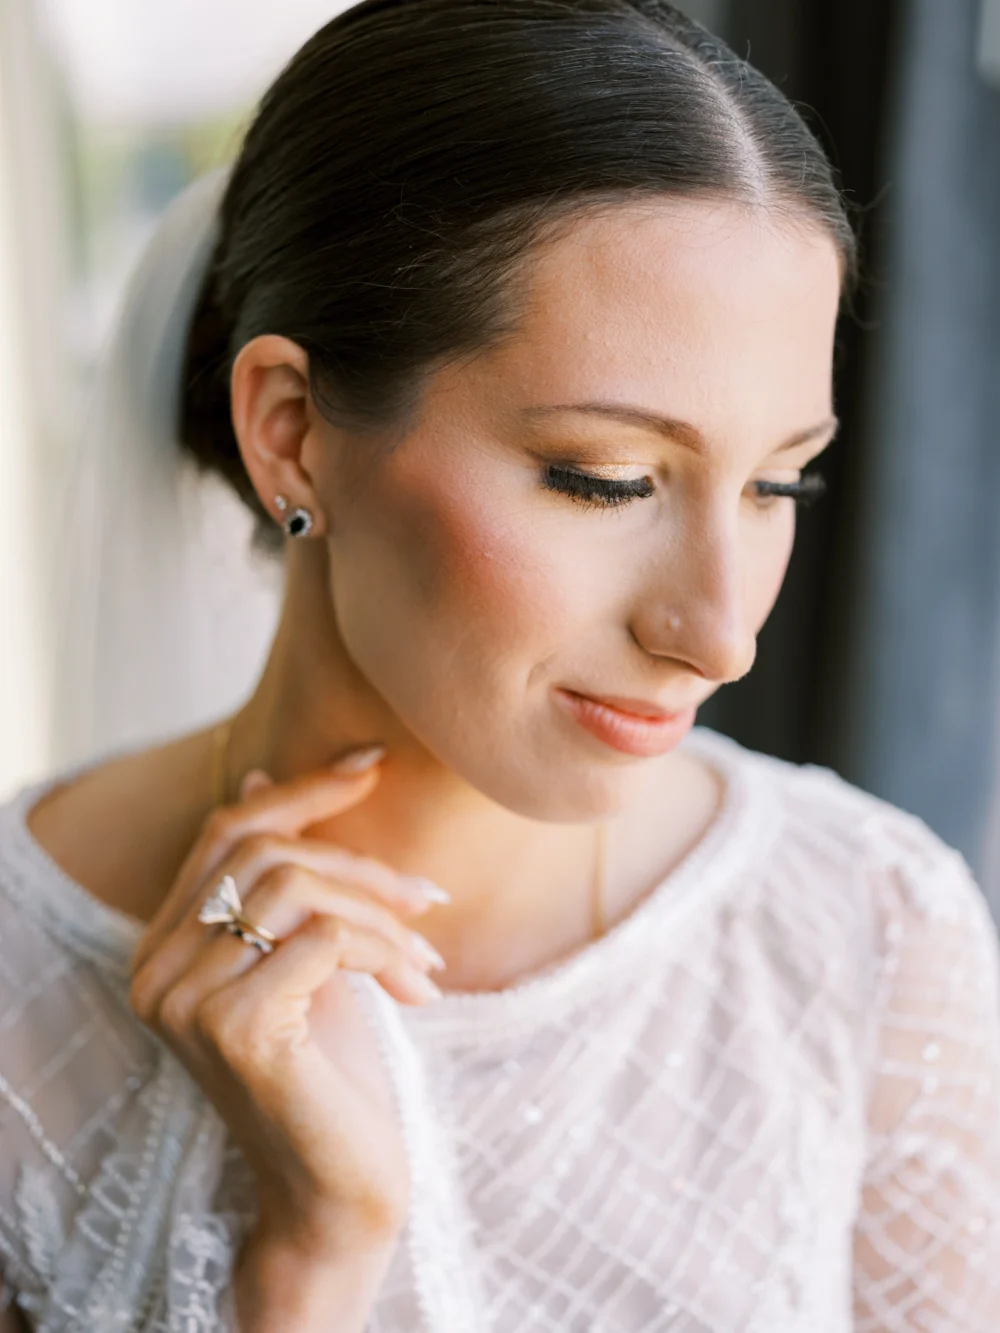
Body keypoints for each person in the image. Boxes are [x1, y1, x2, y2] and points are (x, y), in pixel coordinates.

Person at [1, 1, 999, 1329]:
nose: (720, 633)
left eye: (779, 485)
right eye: (609, 480)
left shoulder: (865, 931)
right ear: (293, 435)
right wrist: (311, 1255)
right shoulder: (20, 984)